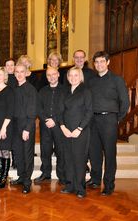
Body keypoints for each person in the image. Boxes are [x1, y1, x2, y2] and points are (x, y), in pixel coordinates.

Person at [87, 51, 130, 196]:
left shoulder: (117, 80)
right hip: (93, 120)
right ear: (94, 64)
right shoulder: (91, 81)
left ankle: (109, 185)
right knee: (94, 152)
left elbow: (125, 101)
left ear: (108, 62)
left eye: (101, 61)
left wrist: (117, 118)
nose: (99, 64)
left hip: (109, 120)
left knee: (110, 154)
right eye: (96, 62)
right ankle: (95, 179)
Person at [59, 67, 93, 198]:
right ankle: (70, 185)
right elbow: (60, 112)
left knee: (79, 159)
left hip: (81, 131)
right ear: (67, 77)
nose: (73, 78)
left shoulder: (86, 91)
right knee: (68, 158)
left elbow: (89, 112)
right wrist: (63, 127)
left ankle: (80, 188)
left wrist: (79, 129)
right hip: (66, 131)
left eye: (76, 75)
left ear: (81, 77)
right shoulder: (65, 91)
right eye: (70, 75)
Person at [35, 67, 66, 185]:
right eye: (49, 75)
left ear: (58, 74)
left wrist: (55, 120)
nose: (51, 77)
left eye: (54, 74)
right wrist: (45, 119)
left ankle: (62, 174)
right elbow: (39, 107)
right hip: (45, 125)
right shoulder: (42, 91)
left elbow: (65, 108)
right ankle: (46, 173)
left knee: (60, 150)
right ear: (46, 77)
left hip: (59, 125)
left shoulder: (65, 90)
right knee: (45, 150)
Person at [10, 64, 38, 194]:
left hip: (26, 124)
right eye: (17, 72)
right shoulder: (14, 88)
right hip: (15, 125)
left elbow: (32, 111)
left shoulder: (30, 90)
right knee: (18, 152)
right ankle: (21, 177)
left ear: (26, 73)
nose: (19, 74)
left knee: (27, 154)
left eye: (22, 72)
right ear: (14, 73)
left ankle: (27, 182)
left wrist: (27, 129)